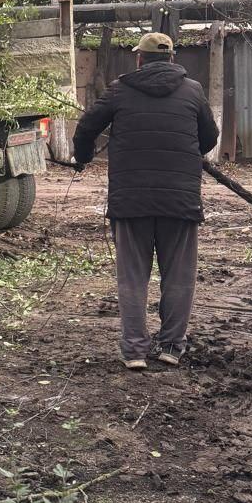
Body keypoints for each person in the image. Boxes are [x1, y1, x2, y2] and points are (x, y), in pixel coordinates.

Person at [72, 32, 219, 370]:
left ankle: (135, 351)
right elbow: (209, 138)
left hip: (131, 200)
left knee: (132, 278)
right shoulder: (193, 90)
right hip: (180, 200)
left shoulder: (119, 89)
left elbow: (86, 128)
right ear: (172, 59)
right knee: (179, 277)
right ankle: (170, 347)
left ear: (139, 59)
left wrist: (82, 158)